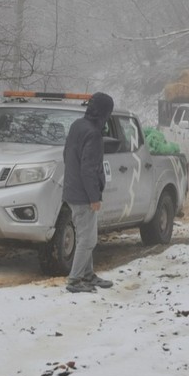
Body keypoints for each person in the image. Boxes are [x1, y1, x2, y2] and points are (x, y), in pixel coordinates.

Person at [62, 92, 115, 293]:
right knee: (88, 239)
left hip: (72, 190)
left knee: (85, 234)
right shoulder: (93, 133)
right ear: (103, 112)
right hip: (83, 195)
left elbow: (67, 155)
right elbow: (89, 168)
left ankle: (88, 275)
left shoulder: (77, 125)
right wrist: (94, 197)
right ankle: (75, 280)